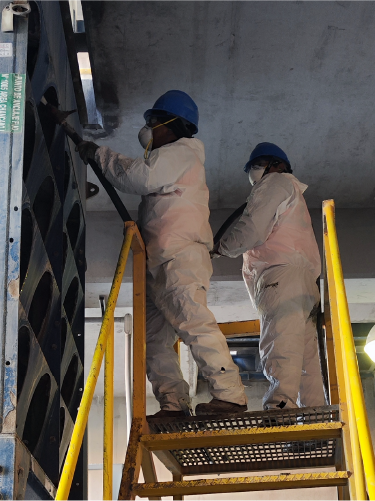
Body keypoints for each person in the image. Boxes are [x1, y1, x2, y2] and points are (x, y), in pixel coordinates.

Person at [77, 90, 247, 417]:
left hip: (179, 257)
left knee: (193, 324)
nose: (149, 129)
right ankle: (173, 404)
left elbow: (141, 177)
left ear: (173, 125)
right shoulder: (171, 159)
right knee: (153, 341)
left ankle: (231, 395)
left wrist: (100, 155)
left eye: (154, 122)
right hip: (158, 263)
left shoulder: (182, 152)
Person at [212, 142, 325, 410]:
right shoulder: (291, 192)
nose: (254, 172)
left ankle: (280, 408)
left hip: (280, 275)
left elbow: (251, 230)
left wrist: (217, 248)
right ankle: (316, 418)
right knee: (305, 357)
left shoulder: (274, 183)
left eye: (257, 164)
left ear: (276, 165)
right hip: (303, 283)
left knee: (280, 341)